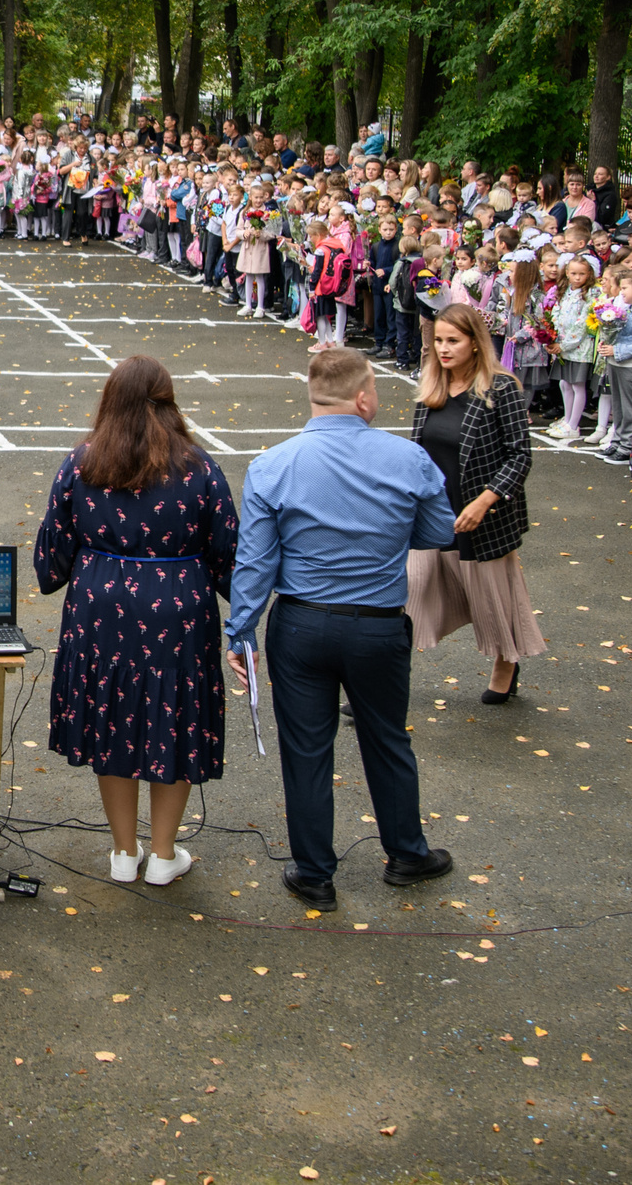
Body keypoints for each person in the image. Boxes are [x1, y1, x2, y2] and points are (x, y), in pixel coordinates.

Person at [227, 347, 458, 911]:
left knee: (306, 750)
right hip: (377, 627)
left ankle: (313, 873)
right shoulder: (409, 459)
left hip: (301, 624)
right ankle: (406, 852)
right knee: (387, 739)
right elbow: (437, 532)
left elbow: (256, 563)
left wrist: (240, 632)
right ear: (362, 398)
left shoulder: (273, 464)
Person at [34, 355, 237, 886]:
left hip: (101, 610)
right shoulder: (200, 468)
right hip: (179, 610)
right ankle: (164, 854)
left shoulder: (81, 462)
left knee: (113, 718)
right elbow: (230, 556)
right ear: (168, 402)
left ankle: (125, 852)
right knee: (177, 717)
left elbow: (50, 560)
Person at [406, 304, 542, 703]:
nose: (443, 349)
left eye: (453, 341)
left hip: (483, 519)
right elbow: (419, 455)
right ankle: (384, 680)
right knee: (405, 599)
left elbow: (521, 455)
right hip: (433, 515)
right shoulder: (431, 386)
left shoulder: (501, 389)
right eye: (438, 341)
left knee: (494, 603)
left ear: (476, 344)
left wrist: (486, 500)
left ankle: (505, 664)